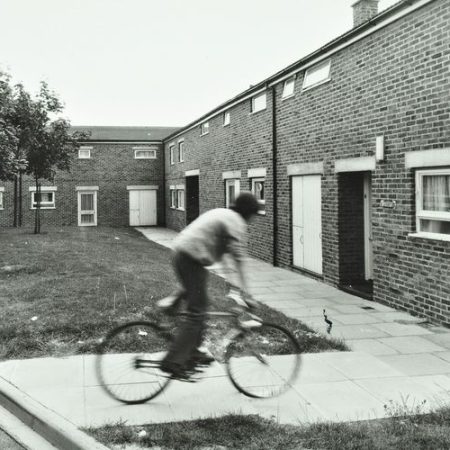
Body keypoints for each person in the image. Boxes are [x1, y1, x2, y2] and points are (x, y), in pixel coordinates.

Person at [158, 191, 260, 379]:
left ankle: (192, 348)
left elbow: (226, 259)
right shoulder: (236, 222)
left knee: (201, 303)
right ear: (248, 213)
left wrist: (235, 287)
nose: (253, 220)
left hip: (185, 255)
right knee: (197, 311)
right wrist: (248, 294)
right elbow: (238, 260)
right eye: (253, 215)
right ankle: (172, 361)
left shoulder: (224, 215)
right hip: (190, 258)